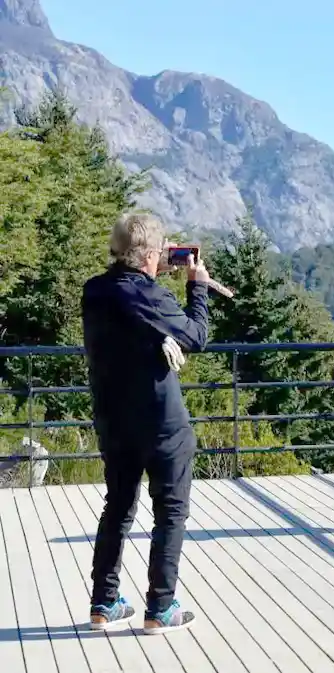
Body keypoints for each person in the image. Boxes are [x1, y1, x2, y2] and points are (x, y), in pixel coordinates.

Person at [82, 212, 210, 634]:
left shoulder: (95, 292)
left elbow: (135, 321)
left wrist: (156, 280)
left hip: (113, 420)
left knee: (117, 509)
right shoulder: (151, 297)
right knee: (170, 512)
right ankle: (161, 607)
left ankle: (104, 602)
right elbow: (196, 335)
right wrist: (196, 287)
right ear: (152, 254)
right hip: (161, 422)